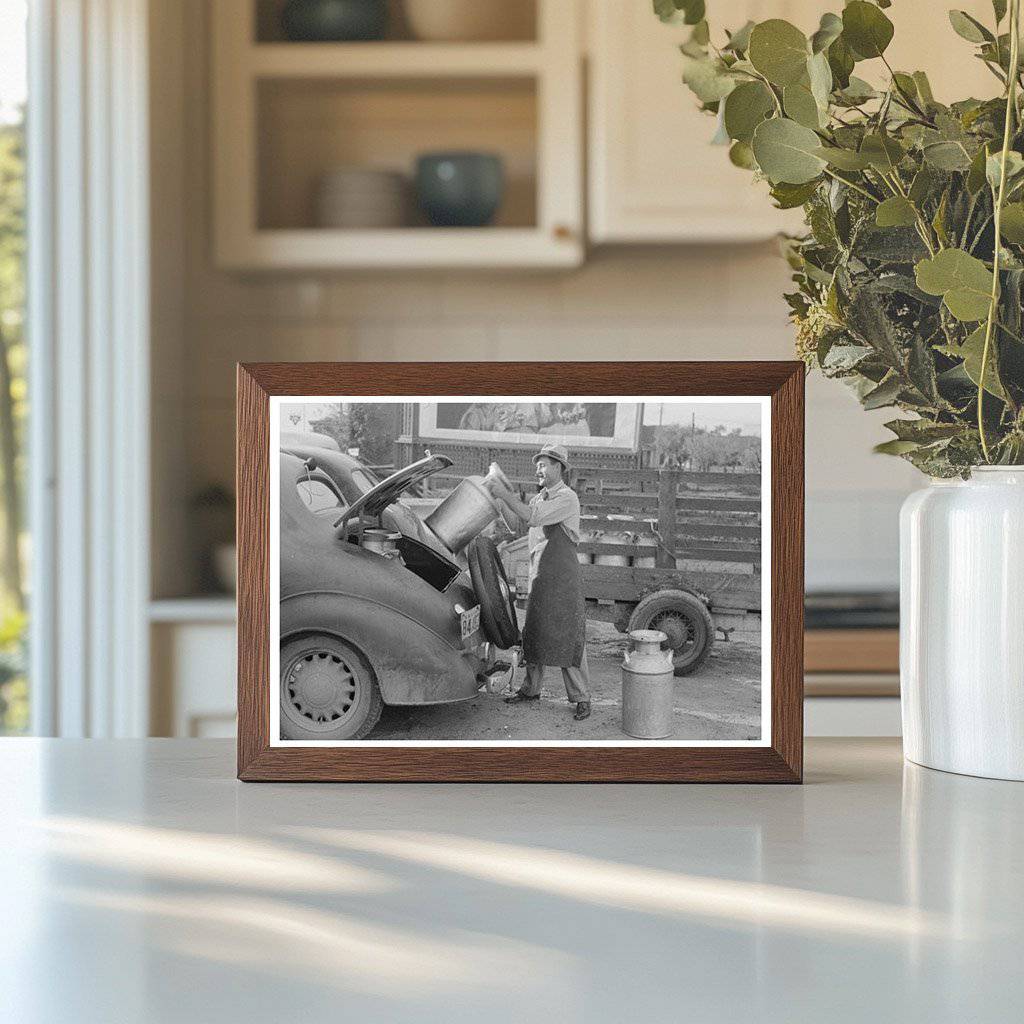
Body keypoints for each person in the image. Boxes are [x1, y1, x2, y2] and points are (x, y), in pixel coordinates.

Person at [488, 443, 591, 721]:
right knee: (533, 633)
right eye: (538, 465)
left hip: (563, 580)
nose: (539, 469)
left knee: (569, 638)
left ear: (559, 468)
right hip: (540, 577)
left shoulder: (567, 498)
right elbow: (518, 523)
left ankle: (582, 697)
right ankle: (530, 690)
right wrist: (497, 499)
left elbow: (532, 517)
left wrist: (505, 494)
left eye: (544, 464)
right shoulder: (539, 498)